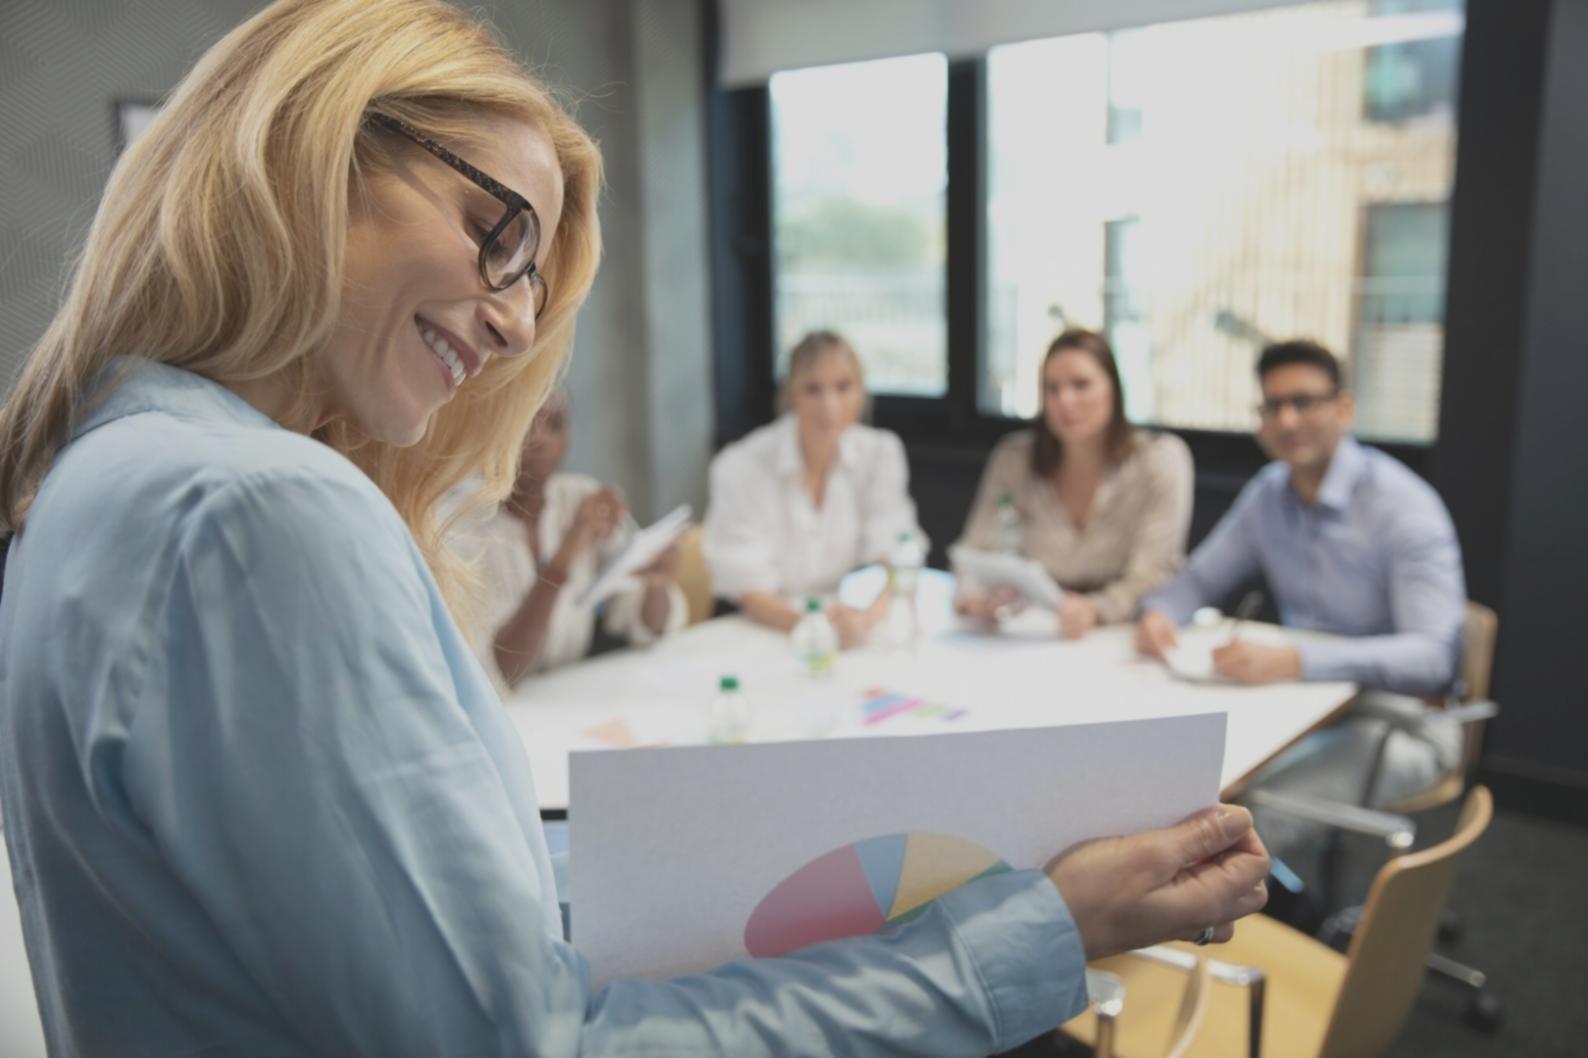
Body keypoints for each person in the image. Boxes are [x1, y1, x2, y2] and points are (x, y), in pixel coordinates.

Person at [0, 2, 1269, 1054]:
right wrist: (1032, 930)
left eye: (532, 283)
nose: (514, 324)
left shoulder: (102, 472)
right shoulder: (260, 513)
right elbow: (524, 1039)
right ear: (314, 144)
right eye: (499, 235)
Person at [1135, 339, 1466, 860]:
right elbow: (1197, 581)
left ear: (1344, 408)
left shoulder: (1404, 506)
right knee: (1175, 781)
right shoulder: (1270, 493)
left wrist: (1298, 660)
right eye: (1272, 406)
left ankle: (1267, 904)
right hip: (1304, 704)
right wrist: (1159, 612)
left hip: (1401, 723)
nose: (1286, 420)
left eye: (1304, 402)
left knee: (1238, 824)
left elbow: (1433, 659)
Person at [955, 329, 1193, 638]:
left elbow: (1153, 576)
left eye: (1081, 385)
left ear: (1113, 389)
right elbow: (972, 553)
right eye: (1052, 389)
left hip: (1125, 632)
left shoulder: (1159, 460)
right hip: (1034, 627)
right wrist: (974, 598)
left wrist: (1096, 609)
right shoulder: (1015, 458)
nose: (1065, 401)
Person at [452, 390, 686, 693]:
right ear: (490, 432)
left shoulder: (580, 498)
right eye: (525, 424)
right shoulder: (457, 526)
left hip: (572, 695)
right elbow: (501, 674)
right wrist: (561, 561)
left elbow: (647, 627)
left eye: (556, 425)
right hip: (504, 707)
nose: (541, 440)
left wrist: (656, 582)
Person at [703, 330, 923, 648]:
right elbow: (748, 588)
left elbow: (898, 557)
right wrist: (816, 627)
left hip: (838, 624)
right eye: (813, 390)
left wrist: (866, 619)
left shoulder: (880, 454)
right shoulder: (742, 465)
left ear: (862, 392)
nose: (830, 406)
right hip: (757, 628)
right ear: (790, 394)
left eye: (843, 387)